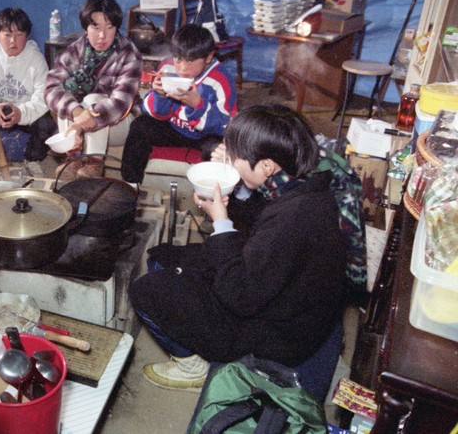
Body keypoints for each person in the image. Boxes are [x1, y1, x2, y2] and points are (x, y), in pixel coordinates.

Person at [129, 104, 347, 391]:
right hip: (284, 301)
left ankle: (194, 367)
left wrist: (220, 220)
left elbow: (240, 295)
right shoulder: (304, 184)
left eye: (235, 157)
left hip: (277, 335)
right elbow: (264, 223)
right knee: (164, 257)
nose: (230, 162)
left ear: (267, 166)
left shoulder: (294, 217)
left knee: (145, 289)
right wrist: (228, 205)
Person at [121, 24, 236, 184]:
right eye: (178, 59)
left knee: (219, 153)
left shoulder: (220, 80)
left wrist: (198, 105)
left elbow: (226, 126)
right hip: (173, 128)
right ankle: (130, 185)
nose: (182, 68)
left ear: (209, 57)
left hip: (206, 136)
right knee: (140, 126)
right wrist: (158, 95)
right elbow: (151, 112)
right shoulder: (167, 67)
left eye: (190, 61)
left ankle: (209, 198)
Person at [44, 0, 141, 179]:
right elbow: (51, 87)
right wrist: (77, 112)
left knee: (93, 100)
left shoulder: (129, 54)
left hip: (120, 124)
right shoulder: (74, 50)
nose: (102, 36)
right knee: (69, 101)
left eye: (109, 27)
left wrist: (80, 123)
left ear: (117, 27)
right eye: (95, 28)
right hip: (81, 120)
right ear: (86, 27)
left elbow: (120, 104)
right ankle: (74, 158)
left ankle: (94, 162)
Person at [0, 7, 57, 188]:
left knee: (46, 122)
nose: (13, 41)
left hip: (24, 113)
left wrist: (21, 113)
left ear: (27, 35)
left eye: (19, 34)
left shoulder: (36, 59)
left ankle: (32, 159)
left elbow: (42, 97)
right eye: (7, 35)